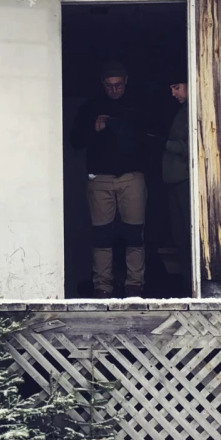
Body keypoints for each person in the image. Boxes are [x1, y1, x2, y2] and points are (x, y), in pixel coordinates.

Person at [69, 60, 152, 297]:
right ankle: (102, 286)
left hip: (131, 177)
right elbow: (75, 141)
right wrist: (93, 129)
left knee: (135, 233)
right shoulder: (90, 107)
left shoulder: (138, 106)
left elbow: (151, 138)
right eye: (109, 86)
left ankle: (135, 284)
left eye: (118, 85)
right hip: (100, 179)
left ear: (126, 82)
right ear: (102, 84)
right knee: (101, 235)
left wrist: (122, 126)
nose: (114, 90)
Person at [162, 79, 191, 293]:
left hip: (185, 180)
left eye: (177, 87)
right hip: (174, 179)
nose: (173, 93)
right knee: (179, 235)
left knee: (187, 236)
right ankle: (186, 281)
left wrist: (164, 143)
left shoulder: (194, 109)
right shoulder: (182, 110)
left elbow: (194, 144)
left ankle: (191, 283)